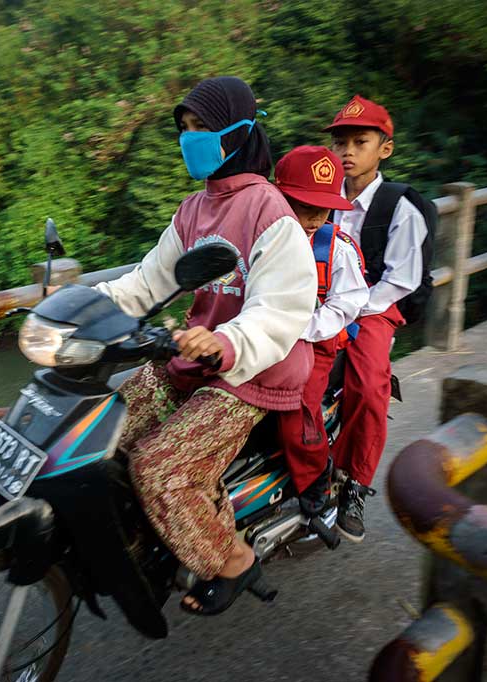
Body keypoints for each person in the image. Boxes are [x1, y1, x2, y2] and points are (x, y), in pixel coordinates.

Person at [93, 76, 317, 615]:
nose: (191, 138)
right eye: (187, 128)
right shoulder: (193, 210)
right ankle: (151, 536)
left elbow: (281, 309)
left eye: (204, 128)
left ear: (239, 133)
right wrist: (79, 308)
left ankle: (234, 560)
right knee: (97, 434)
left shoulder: (271, 213)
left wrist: (225, 341)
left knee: (158, 467)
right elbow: (146, 282)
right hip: (189, 359)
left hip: (249, 375)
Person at [324, 94, 429, 542]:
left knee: (368, 386)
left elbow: (401, 279)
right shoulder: (322, 196)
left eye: (360, 141)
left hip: (373, 305)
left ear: (384, 148)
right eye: (341, 142)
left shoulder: (400, 207)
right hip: (319, 299)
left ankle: (355, 482)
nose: (347, 152)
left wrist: (348, 308)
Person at [271, 146, 368, 520]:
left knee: (297, 407)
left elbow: (348, 303)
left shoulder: (335, 249)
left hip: (313, 344)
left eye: (324, 209)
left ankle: (316, 477)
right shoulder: (265, 242)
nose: (314, 218)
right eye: (302, 206)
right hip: (265, 340)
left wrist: (304, 330)